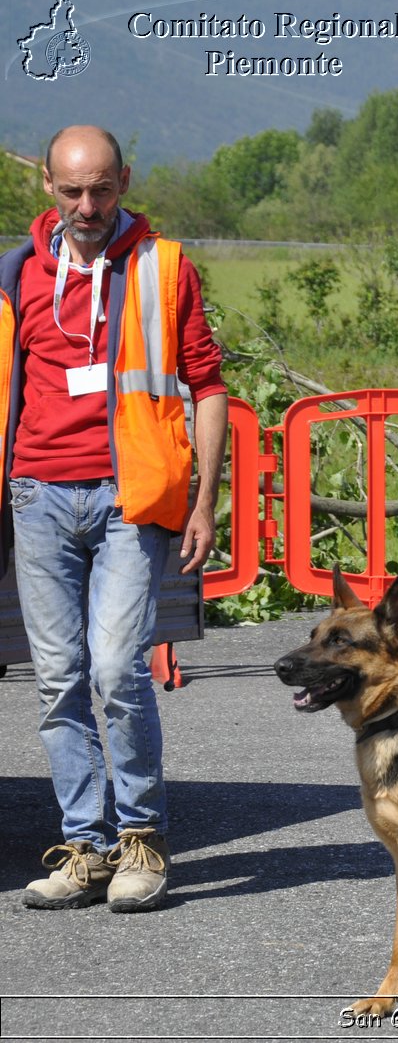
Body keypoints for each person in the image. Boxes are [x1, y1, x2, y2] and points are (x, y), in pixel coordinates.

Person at [1, 125, 228, 912]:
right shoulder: (15, 274)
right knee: (57, 679)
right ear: (48, 188)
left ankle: (143, 837)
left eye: (102, 188)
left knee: (115, 670)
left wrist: (203, 499)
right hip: (36, 496)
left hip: (133, 498)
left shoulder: (164, 268)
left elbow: (208, 385)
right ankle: (85, 848)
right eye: (72, 191)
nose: (88, 205)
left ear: (125, 179)